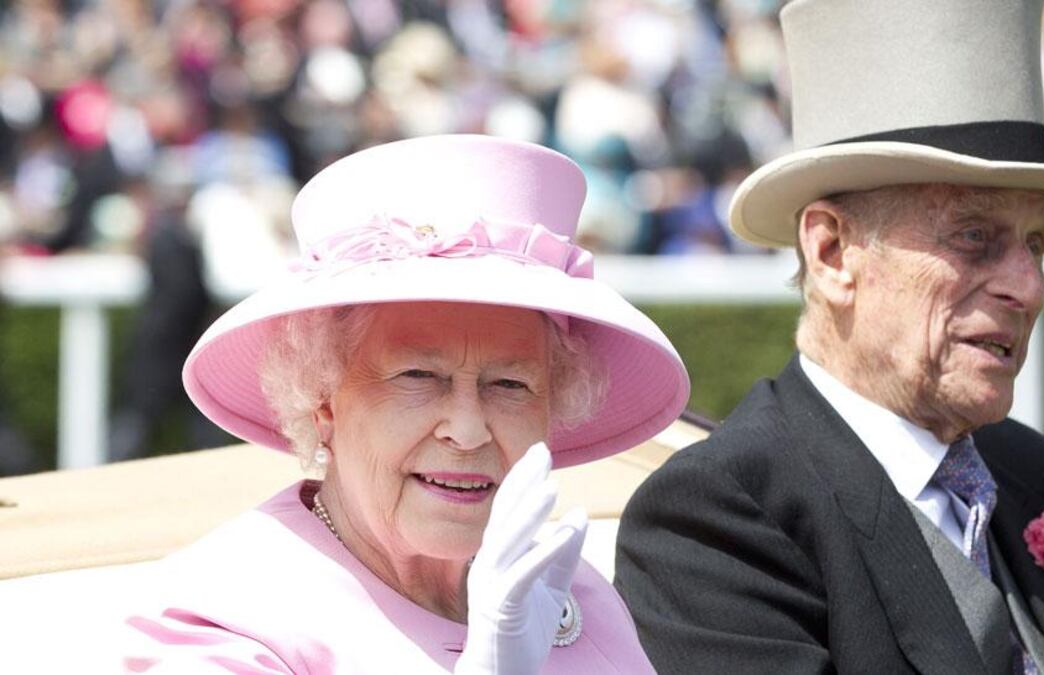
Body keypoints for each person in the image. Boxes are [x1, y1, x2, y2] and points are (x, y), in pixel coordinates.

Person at [614, 1, 1044, 674]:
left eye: (1036, 242)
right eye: (974, 235)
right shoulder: (718, 515)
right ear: (832, 253)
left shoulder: (1029, 468)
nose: (1028, 287)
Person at [122, 134, 690, 673]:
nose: (468, 430)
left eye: (509, 385)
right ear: (323, 401)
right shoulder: (221, 621)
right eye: (418, 376)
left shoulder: (566, 588)